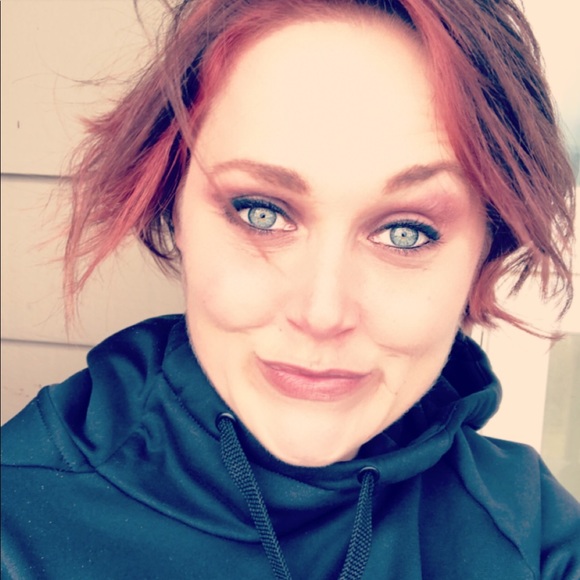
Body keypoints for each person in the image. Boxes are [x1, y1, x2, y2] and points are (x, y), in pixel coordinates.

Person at [2, 0, 579, 578]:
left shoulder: (532, 535)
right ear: (174, 210)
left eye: (405, 232)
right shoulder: (20, 524)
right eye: (261, 213)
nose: (321, 313)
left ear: (485, 251)